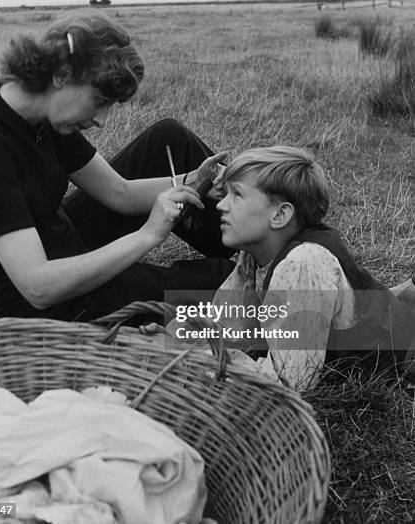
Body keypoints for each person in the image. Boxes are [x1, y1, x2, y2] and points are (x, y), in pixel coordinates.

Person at [0, 10, 235, 323]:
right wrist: (148, 235)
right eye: (99, 101)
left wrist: (195, 178)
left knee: (169, 137)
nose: (101, 120)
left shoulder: (42, 112)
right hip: (22, 302)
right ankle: (276, 305)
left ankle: (257, 244)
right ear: (61, 76)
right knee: (212, 285)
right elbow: (38, 287)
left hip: (59, 238)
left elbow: (120, 193)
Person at [167, 146, 414, 392]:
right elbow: (228, 322)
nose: (220, 205)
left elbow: (291, 382)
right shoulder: (257, 252)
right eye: (225, 193)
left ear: (280, 215)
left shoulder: (302, 263)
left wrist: (203, 363)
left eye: (237, 195)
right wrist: (174, 340)